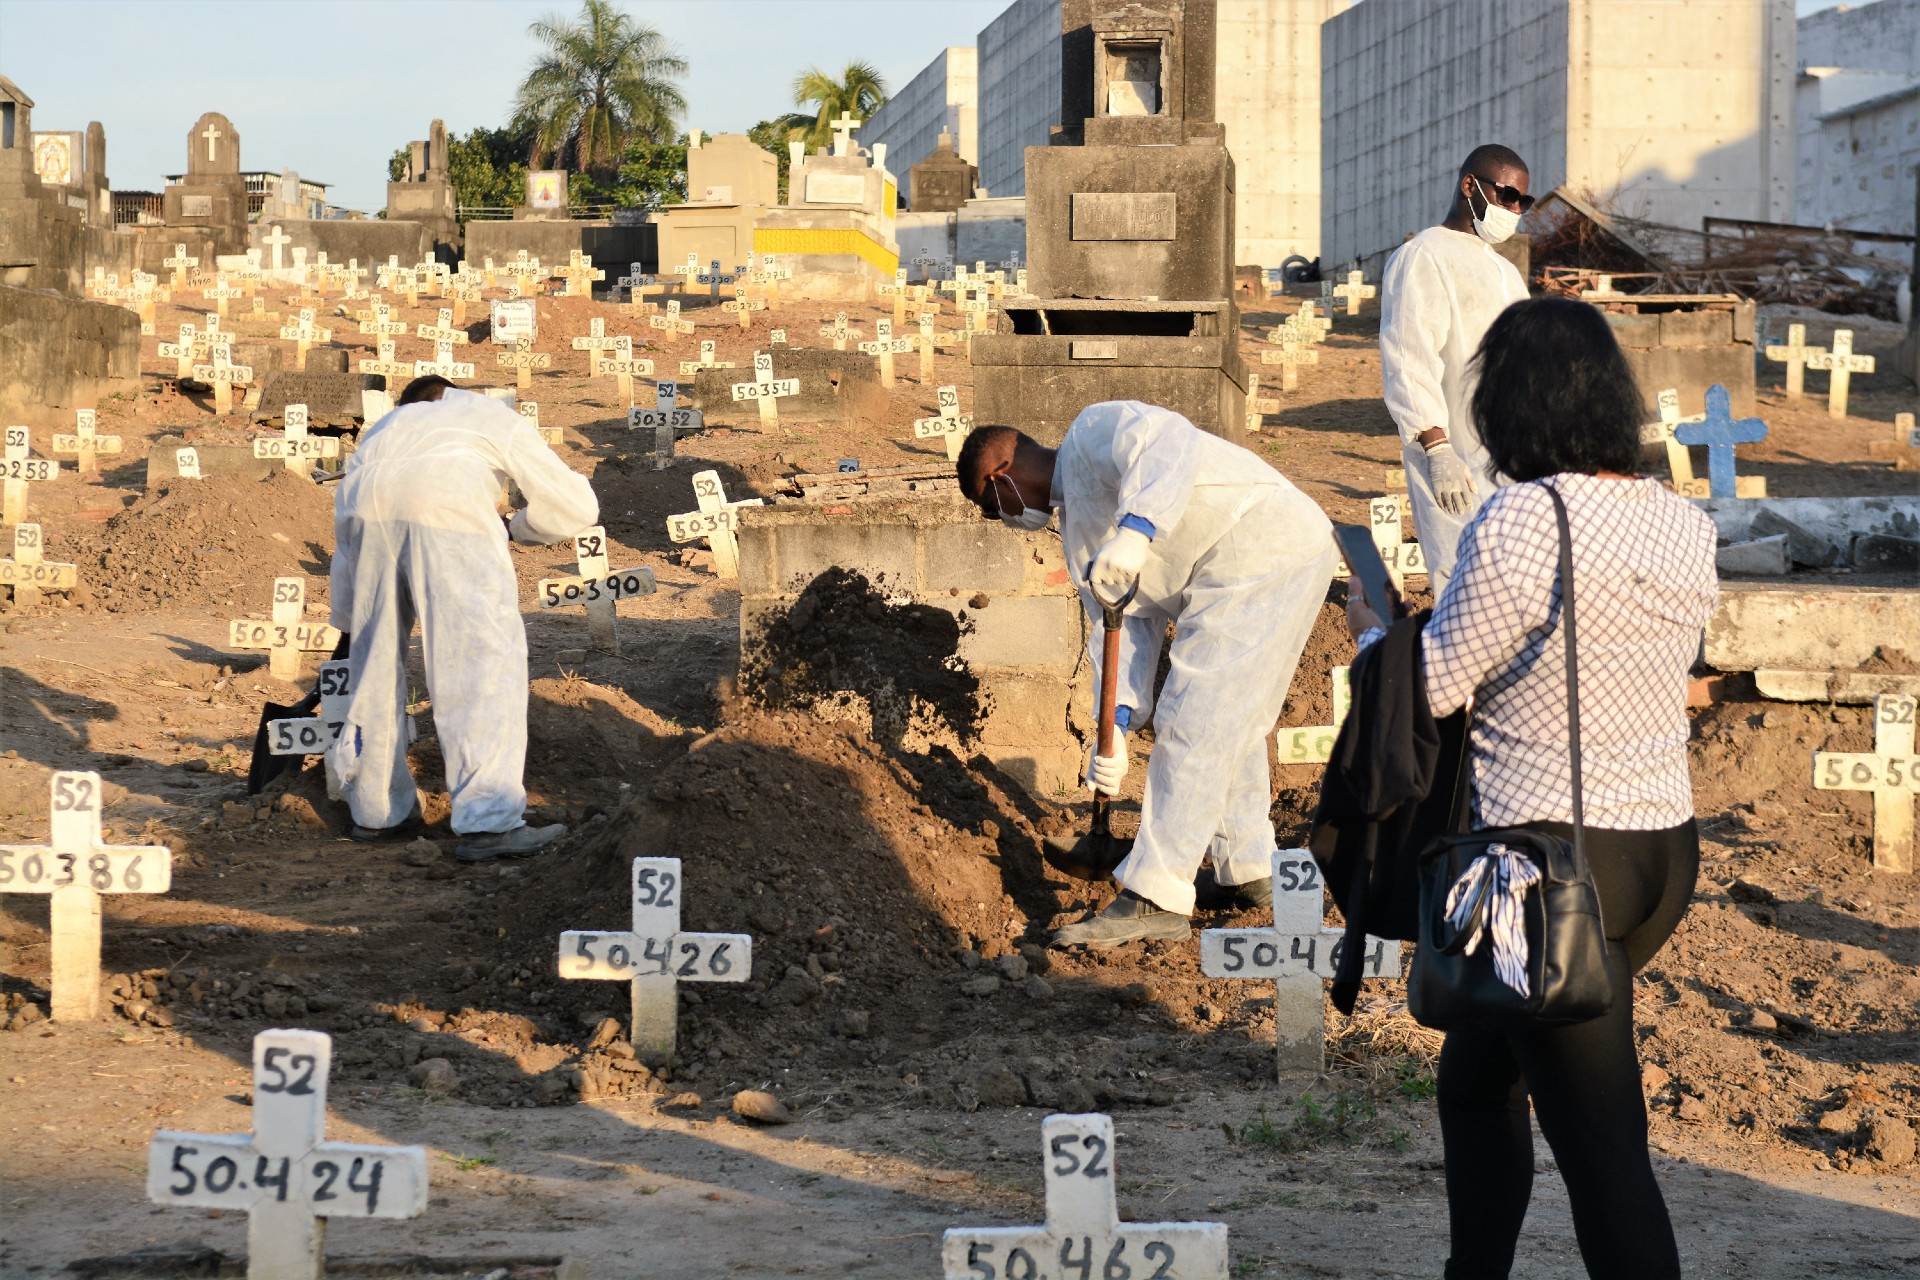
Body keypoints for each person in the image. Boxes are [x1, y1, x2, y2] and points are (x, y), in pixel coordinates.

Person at [1346, 298, 1717, 1279]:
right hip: (1659, 851)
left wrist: (1372, 631)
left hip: (1549, 869)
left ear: (1507, 407)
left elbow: (1434, 685)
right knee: (1476, 1080)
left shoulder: (1523, 520)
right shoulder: (1685, 522)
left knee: (1605, 1155)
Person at [956, 401, 1335, 949]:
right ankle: (1247, 869)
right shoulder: (1079, 527)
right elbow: (1122, 628)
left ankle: (1154, 898)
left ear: (1000, 475)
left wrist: (1136, 530)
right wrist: (1116, 728)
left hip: (1261, 544)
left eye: (991, 506)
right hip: (1254, 563)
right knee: (1232, 722)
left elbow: (1166, 442)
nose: (1001, 519)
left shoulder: (1090, 431)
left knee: (1195, 719)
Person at [327, 376, 600, 863]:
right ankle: (488, 821)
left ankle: (376, 813)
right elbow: (575, 506)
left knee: (373, 667)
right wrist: (517, 528)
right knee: (478, 660)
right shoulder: (483, 412)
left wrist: (351, 620)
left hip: (367, 511)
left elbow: (344, 543)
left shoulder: (381, 432)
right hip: (447, 509)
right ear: (446, 394)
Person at [1378, 143, 1532, 588]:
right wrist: (1436, 448)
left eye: (1523, 201)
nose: (1514, 209)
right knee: (1460, 578)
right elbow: (1409, 357)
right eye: (1506, 195)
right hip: (1453, 456)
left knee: (1513, 585)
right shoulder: (1424, 255)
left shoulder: (1505, 273)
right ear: (1470, 186)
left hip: (1510, 457)